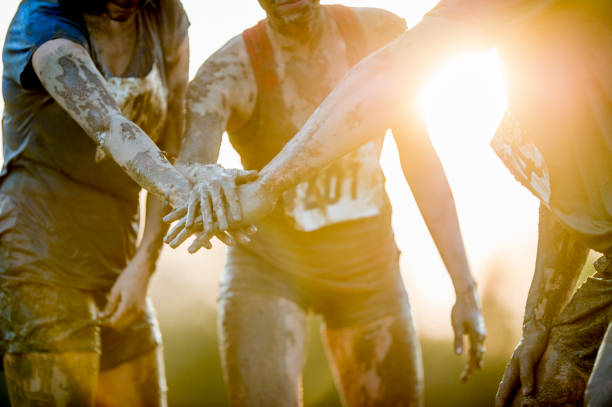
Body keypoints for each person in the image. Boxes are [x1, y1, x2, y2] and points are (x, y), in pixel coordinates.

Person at [169, 0, 612, 405]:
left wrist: (464, 289)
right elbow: (192, 169)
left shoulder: (378, 32)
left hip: (366, 262)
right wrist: (210, 178)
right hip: (270, 265)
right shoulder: (226, 71)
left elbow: (418, 156)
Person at [0, 0, 206, 405]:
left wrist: (145, 262)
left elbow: (173, 140)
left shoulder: (163, 14)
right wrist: (194, 198)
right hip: (40, 255)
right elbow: (113, 129)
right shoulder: (44, 25)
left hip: (119, 256)